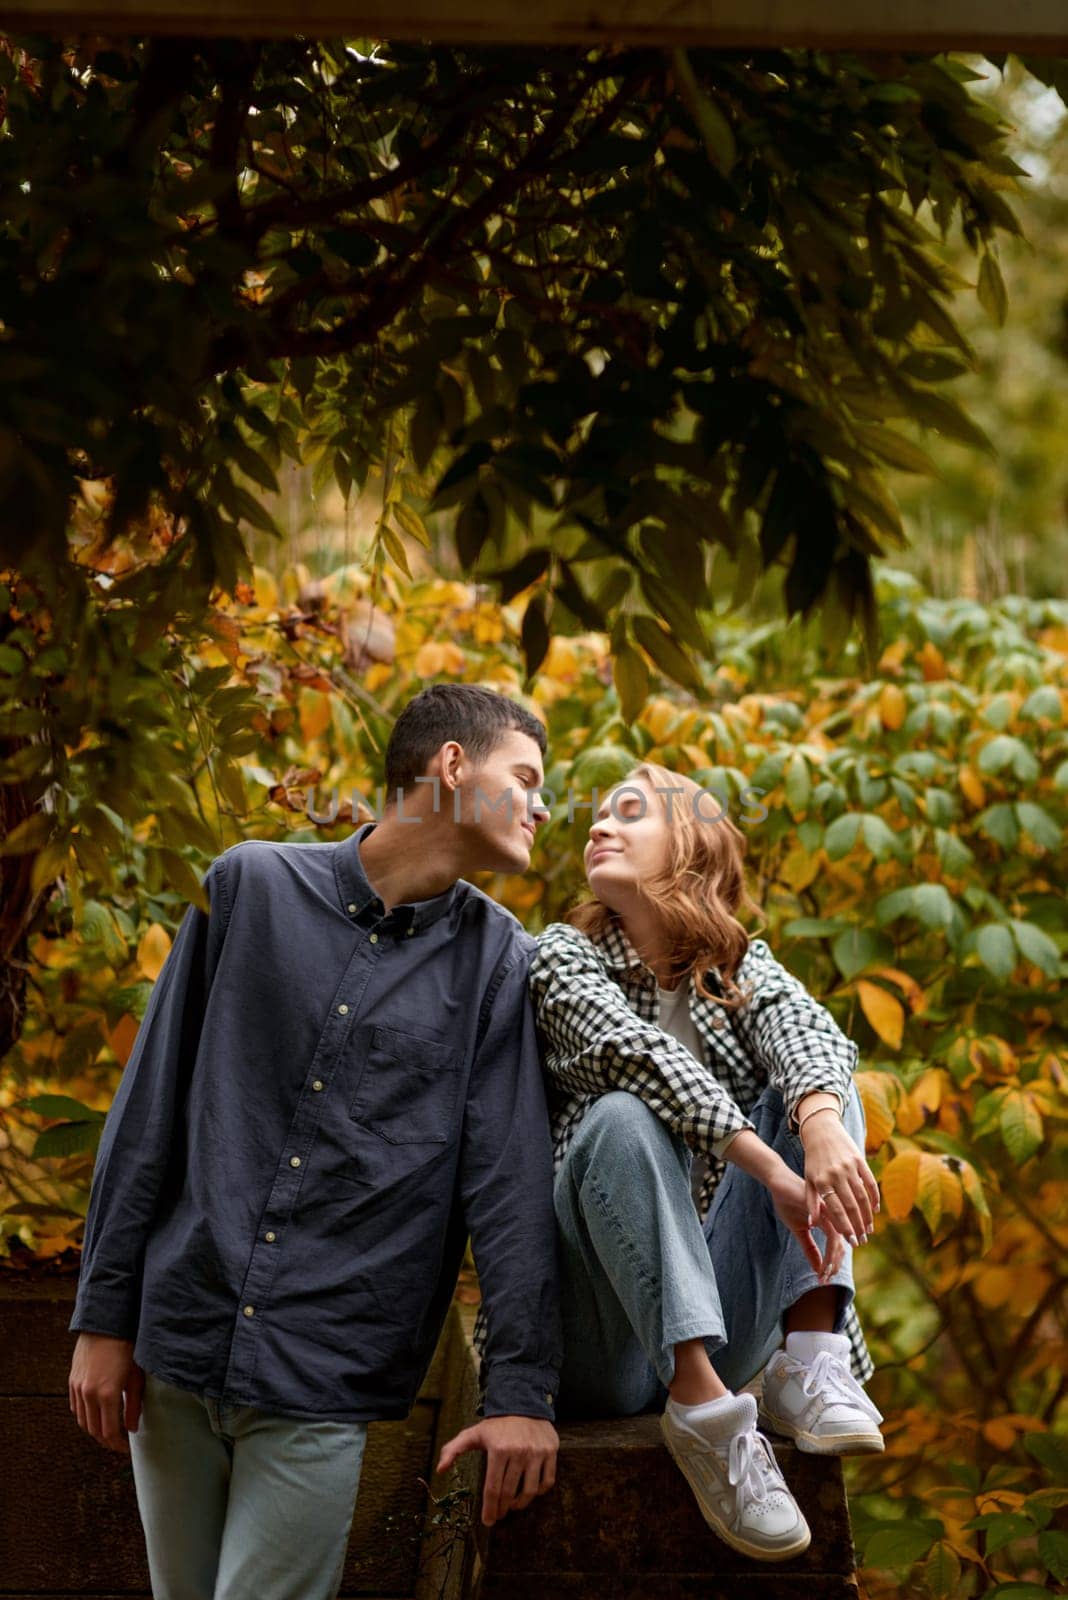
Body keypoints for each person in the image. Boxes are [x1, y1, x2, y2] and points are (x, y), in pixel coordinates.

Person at [67, 684, 563, 1600]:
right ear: (452, 767)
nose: (542, 806)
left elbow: (509, 1190)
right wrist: (104, 1319)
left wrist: (520, 1395)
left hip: (323, 1375)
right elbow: (149, 1111)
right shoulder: (247, 886)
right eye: (526, 777)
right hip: (174, 1350)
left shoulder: (500, 963)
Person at [529, 762, 883, 1563]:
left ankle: (811, 1361)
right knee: (624, 1115)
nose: (596, 827)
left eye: (629, 812)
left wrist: (819, 1126)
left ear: (690, 849)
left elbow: (808, 1030)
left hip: (729, 1321)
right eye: (597, 816)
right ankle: (703, 1417)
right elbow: (634, 1055)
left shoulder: (734, 968)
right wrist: (770, 1169)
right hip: (602, 1341)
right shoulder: (562, 956)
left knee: (820, 1083)